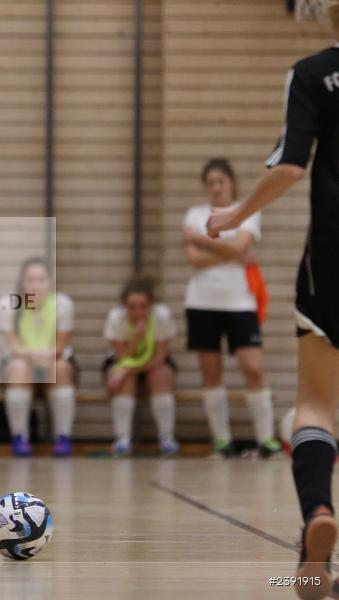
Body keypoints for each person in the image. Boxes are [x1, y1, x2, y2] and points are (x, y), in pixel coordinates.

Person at [207, 4, 339, 596]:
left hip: (332, 257)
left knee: (315, 405)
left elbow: (290, 167)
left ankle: (318, 514)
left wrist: (236, 213)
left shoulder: (313, 73)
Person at [183, 158, 280, 458]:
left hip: (240, 302)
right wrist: (231, 251)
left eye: (220, 182)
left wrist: (204, 240)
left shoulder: (246, 213)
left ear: (231, 184)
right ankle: (221, 441)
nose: (215, 188)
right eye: (210, 183)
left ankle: (266, 439)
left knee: (253, 368)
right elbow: (195, 259)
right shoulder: (195, 214)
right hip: (202, 301)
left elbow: (241, 248)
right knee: (211, 372)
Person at [0, 258, 77, 457]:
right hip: (22, 363)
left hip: (54, 361)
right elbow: (14, 346)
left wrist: (48, 355)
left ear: (50, 281)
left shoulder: (62, 305)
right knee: (19, 368)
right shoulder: (9, 306)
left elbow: (61, 344)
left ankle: (63, 437)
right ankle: (20, 437)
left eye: (41, 279)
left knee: (59, 367)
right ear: (22, 282)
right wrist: (33, 355)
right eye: (30, 279)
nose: (36, 284)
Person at [102, 277, 179, 457]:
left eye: (143, 306)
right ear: (124, 307)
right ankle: (122, 439)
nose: (138, 312)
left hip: (152, 364)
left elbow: (160, 358)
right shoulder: (116, 319)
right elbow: (122, 358)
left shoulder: (162, 317)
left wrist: (128, 371)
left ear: (152, 305)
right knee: (124, 379)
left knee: (159, 374)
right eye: (132, 307)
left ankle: (166, 438)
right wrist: (135, 339)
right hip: (125, 361)